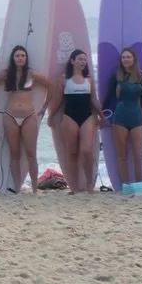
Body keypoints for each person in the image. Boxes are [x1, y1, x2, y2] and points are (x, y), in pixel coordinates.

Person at [0, 45, 48, 193]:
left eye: (22, 55)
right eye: (17, 56)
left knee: (31, 153)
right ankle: (17, 186)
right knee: (14, 153)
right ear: (13, 58)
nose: (20, 58)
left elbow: (51, 87)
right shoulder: (6, 74)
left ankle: (35, 188)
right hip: (9, 116)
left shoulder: (32, 74)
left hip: (29, 116)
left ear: (26, 58)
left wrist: (44, 107)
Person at [47, 49, 103, 194]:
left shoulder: (89, 79)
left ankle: (89, 184)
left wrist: (102, 115)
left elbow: (93, 100)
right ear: (72, 61)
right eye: (80, 59)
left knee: (86, 151)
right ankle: (74, 187)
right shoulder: (64, 78)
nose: (83, 62)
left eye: (84, 59)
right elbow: (58, 99)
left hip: (87, 116)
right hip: (69, 117)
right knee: (71, 153)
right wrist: (50, 115)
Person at [103, 48, 142, 187]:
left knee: (138, 154)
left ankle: (139, 184)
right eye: (123, 57)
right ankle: (125, 185)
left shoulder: (141, 76)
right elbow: (108, 98)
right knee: (122, 154)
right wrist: (102, 115)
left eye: (128, 57)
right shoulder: (116, 76)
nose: (125, 59)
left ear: (134, 59)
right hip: (120, 117)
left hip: (137, 116)